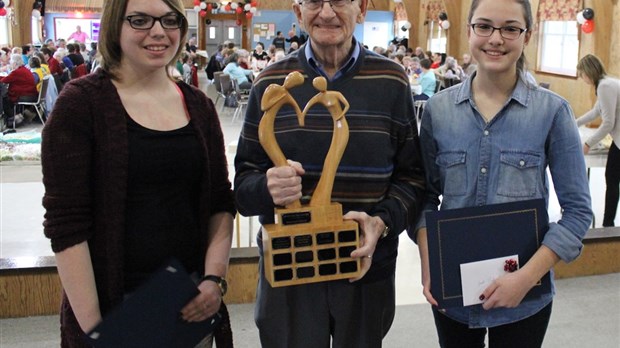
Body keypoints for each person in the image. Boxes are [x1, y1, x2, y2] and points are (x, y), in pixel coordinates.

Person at [41, 0, 235, 347]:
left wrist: (213, 280)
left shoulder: (199, 107)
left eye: (169, 20)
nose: (158, 32)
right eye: (140, 20)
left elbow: (220, 201)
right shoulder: (80, 105)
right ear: (116, 26)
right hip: (114, 307)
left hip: (189, 301)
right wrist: (96, 333)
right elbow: (66, 224)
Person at [234, 0, 425, 346]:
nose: (326, 12)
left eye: (338, 0)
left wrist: (381, 222)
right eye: (313, 2)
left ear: (362, 8)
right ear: (297, 12)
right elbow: (243, 185)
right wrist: (266, 188)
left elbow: (413, 178)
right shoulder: (270, 82)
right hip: (292, 272)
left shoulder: (392, 81)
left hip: (365, 269)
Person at [412, 0, 593, 347]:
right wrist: (429, 262)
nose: (496, 38)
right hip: (453, 294)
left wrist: (525, 278)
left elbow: (578, 212)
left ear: (527, 35)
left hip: (525, 299)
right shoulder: (439, 111)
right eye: (484, 26)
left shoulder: (552, 112)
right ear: (468, 31)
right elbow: (425, 197)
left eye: (510, 28)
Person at [576, 54, 620, 227]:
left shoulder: (605, 86)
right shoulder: (605, 83)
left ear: (588, 72)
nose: (582, 78)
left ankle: (608, 224)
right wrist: (573, 123)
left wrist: (588, 144)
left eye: (582, 74)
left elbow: (608, 123)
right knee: (612, 178)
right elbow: (596, 112)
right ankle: (608, 222)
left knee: (612, 179)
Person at [1, 54, 38, 129]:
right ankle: (19, 115)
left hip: (25, 95)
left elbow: (5, 80)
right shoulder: (24, 69)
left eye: (11, 63)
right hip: (31, 94)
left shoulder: (17, 72)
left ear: (14, 63)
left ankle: (14, 118)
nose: (10, 65)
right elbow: (8, 78)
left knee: (4, 98)